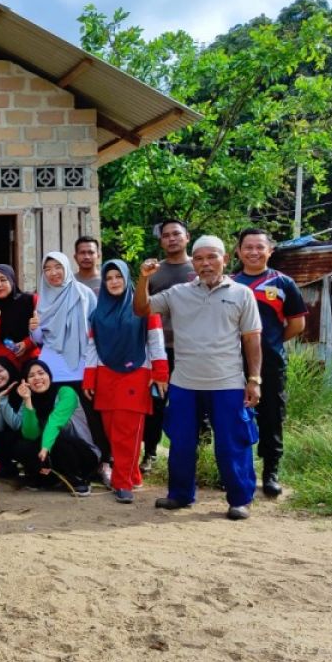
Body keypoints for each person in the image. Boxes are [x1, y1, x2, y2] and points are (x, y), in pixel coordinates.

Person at [136, 235, 263, 520]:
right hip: (185, 383)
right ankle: (180, 494)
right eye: (200, 258)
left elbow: (252, 339)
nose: (206, 263)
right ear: (193, 262)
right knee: (180, 442)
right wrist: (143, 278)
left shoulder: (242, 294)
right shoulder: (178, 292)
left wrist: (254, 379)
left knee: (232, 444)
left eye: (212, 257)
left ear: (225, 259)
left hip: (228, 383)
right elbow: (142, 309)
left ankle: (240, 499)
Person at [83, 260, 169, 503]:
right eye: (109, 278)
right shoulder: (98, 313)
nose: (113, 282)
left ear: (127, 278)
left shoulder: (144, 307)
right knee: (113, 432)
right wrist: (90, 378)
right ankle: (132, 474)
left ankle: (122, 483)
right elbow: (91, 347)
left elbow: (155, 340)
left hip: (136, 374)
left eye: (118, 277)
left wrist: (160, 372)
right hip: (105, 376)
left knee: (127, 432)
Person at [233, 228, 306, 499]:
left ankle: (270, 473)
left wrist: (270, 344)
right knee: (234, 419)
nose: (253, 252)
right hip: (231, 365)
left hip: (271, 365)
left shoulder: (284, 283)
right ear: (238, 252)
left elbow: (297, 325)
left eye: (259, 247)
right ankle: (237, 471)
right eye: (248, 247)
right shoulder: (230, 282)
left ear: (270, 250)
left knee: (271, 418)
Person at [29, 251, 107, 484]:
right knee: (54, 420)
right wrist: (33, 329)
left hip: (80, 366)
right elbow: (39, 339)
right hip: (51, 369)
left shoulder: (84, 294)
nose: (53, 273)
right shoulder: (42, 298)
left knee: (92, 419)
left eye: (57, 267)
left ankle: (102, 463)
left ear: (66, 267)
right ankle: (59, 467)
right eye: (48, 269)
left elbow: (95, 332)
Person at [142, 219, 196, 472]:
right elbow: (141, 307)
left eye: (177, 234)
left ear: (187, 237)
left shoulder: (199, 268)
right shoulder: (154, 272)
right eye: (166, 235)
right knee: (155, 404)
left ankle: (198, 453)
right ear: (161, 240)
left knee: (195, 403)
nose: (172, 239)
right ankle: (150, 453)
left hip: (194, 349)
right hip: (160, 350)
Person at [10, 360, 100, 495]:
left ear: (49, 376)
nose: (37, 378)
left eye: (41, 373)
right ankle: (49, 479)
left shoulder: (66, 392)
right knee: (22, 445)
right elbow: (30, 434)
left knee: (58, 439)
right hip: (51, 453)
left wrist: (45, 447)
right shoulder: (29, 398)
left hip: (83, 453)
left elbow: (55, 422)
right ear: (26, 381)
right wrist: (27, 401)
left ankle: (79, 479)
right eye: (31, 375)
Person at [0, 263, 38, 377]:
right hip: (4, 366)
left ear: (12, 280)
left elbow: (44, 329)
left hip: (32, 361)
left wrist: (27, 343)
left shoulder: (31, 300)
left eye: (3, 279)